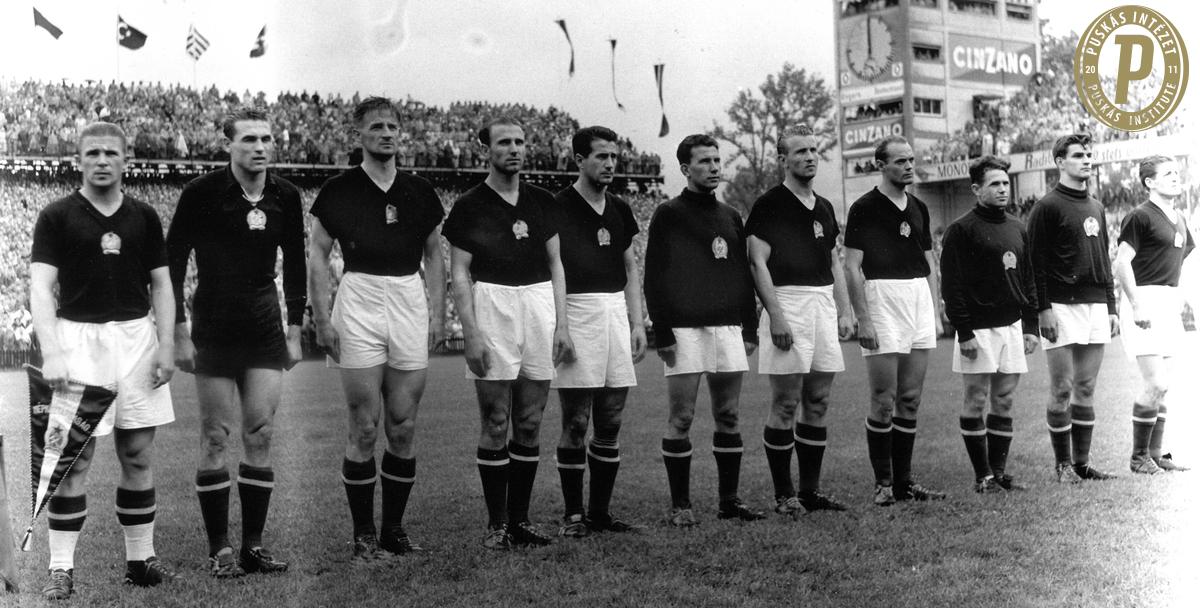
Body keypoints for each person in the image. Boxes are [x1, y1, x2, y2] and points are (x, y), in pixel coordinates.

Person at [30, 122, 177, 600]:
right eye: (92, 152)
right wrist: (52, 350)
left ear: (125, 159)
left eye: (110, 153)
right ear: (78, 160)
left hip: (136, 339)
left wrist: (168, 345)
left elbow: (162, 285)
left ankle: (141, 561)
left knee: (138, 453)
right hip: (78, 340)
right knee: (73, 459)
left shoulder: (144, 216)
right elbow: (40, 287)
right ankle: (60, 569)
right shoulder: (56, 215)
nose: (101, 160)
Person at [167, 107, 304, 577]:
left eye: (266, 138)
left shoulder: (286, 195)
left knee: (260, 431)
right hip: (214, 319)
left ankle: (253, 547)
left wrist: (295, 331)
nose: (260, 147)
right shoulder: (201, 193)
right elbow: (173, 262)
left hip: (264, 320)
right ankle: (219, 549)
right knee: (215, 435)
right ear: (228, 144)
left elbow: (297, 264)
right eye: (249, 139)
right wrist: (179, 332)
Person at [308, 97, 446, 559]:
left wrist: (438, 313)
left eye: (392, 126)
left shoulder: (419, 190)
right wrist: (321, 316)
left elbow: (435, 255)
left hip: (408, 295)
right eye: (376, 127)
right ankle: (364, 533)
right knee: (364, 426)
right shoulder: (339, 189)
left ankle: (394, 530)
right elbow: (317, 254)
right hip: (359, 296)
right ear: (358, 135)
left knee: (403, 425)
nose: (386, 133)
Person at [444, 116, 573, 549]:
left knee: (530, 420)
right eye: (504, 142)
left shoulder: (542, 200)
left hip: (537, 303)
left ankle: (520, 520)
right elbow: (459, 273)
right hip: (493, 303)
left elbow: (556, 265)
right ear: (486, 149)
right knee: (497, 419)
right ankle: (496, 524)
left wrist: (562, 323)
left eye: (519, 141)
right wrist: (471, 333)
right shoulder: (470, 204)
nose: (514, 149)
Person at [644, 134, 763, 527]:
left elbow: (741, 274)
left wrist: (749, 327)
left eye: (716, 160)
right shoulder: (668, 214)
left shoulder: (730, 215)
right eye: (704, 161)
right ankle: (681, 506)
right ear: (685, 168)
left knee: (728, 414)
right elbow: (654, 276)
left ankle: (729, 502)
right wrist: (663, 332)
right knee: (682, 417)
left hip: (727, 328)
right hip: (684, 330)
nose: (714, 167)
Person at [746, 126, 853, 516]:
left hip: (821, 303)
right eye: (800, 152)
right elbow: (757, 262)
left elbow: (833, 261)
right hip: (788, 302)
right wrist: (775, 315)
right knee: (787, 402)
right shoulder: (769, 204)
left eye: (813, 150)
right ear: (783, 160)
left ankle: (810, 492)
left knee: (818, 400)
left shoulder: (823, 206)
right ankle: (784, 495)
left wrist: (845, 309)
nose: (809, 157)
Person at [549, 126, 646, 537]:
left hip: (614, 312)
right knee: (576, 420)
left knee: (611, 418)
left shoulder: (620, 208)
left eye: (614, 157)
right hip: (576, 311)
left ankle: (600, 513)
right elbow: (552, 269)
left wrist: (637, 321)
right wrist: (561, 325)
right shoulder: (558, 207)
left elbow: (629, 268)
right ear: (579, 160)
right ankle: (573, 515)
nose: (609, 164)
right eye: (601, 156)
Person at [844, 134, 945, 506]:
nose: (908, 166)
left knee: (910, 398)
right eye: (900, 161)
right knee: (884, 399)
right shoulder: (864, 208)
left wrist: (934, 309)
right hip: (882, 298)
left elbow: (929, 262)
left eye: (911, 160)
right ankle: (883, 484)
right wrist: (864, 319)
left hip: (917, 297)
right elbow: (851, 267)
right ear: (880, 165)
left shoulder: (919, 207)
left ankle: (904, 483)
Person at [939, 156, 1039, 493]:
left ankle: (998, 474)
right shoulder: (961, 230)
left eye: (1005, 183)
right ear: (976, 189)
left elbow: (1028, 279)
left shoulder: (1018, 227)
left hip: (1011, 326)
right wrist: (964, 332)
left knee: (1005, 399)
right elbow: (951, 287)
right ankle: (982, 477)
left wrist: (1030, 326)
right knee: (976, 398)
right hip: (978, 329)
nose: (1002, 189)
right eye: (994, 184)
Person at [1028, 133, 1119, 483]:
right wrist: (1043, 309)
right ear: (1060, 162)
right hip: (1061, 306)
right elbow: (1035, 264)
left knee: (1086, 387)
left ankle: (1082, 464)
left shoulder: (1096, 206)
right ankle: (1062, 465)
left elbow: (1103, 260)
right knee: (1062, 387)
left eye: (1088, 154)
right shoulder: (1046, 207)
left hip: (1095, 305)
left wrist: (1111, 307)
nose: (1086, 160)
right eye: (1078, 155)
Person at [1114, 155, 1195, 474]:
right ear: (1149, 182)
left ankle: (1156, 454)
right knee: (1155, 382)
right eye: (1168, 173)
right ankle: (1138, 457)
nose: (1176, 177)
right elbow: (1122, 262)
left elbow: (1183, 261)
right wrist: (1136, 304)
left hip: (1168, 302)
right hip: (1144, 299)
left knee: (1166, 386)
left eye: (1177, 172)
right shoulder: (1140, 216)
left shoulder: (1179, 218)